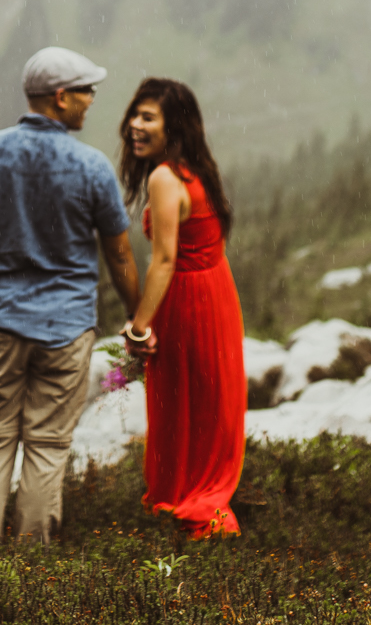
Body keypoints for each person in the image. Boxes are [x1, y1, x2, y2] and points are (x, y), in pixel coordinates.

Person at [0, 44, 141, 542]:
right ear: (60, 98)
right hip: (65, 330)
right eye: (85, 92)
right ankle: (31, 569)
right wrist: (137, 319)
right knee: (47, 446)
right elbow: (119, 256)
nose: (91, 100)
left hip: (0, 322)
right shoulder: (93, 167)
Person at [119, 76, 244, 538]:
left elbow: (166, 260)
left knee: (181, 399)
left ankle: (190, 496)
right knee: (207, 399)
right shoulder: (196, 169)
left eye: (147, 117)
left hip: (190, 300)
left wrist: (138, 327)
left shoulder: (164, 177)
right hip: (217, 291)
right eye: (135, 114)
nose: (135, 124)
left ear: (173, 126)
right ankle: (204, 486)